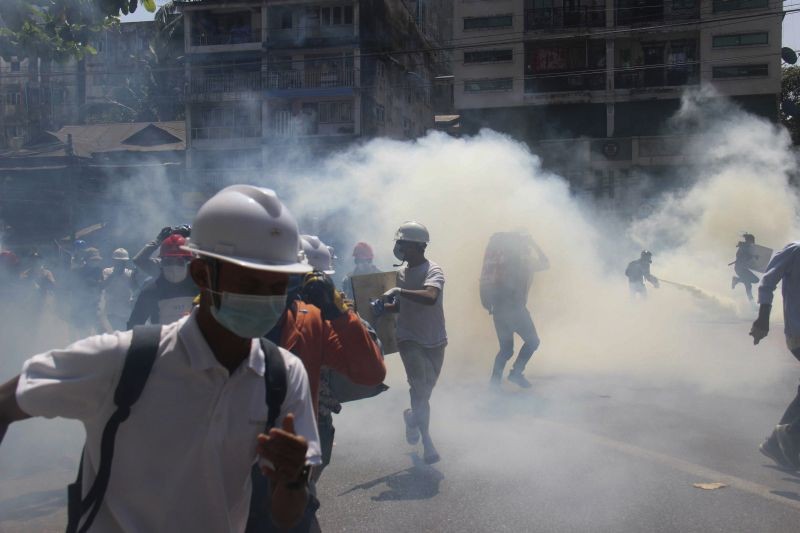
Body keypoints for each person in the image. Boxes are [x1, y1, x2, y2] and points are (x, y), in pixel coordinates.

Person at [0, 185, 321, 532]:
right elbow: (6, 402)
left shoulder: (283, 375)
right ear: (201, 275)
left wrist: (292, 480)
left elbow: (287, 515)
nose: (267, 298)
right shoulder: (124, 359)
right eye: (250, 282)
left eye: (278, 286)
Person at [382, 221, 446, 464]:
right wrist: (381, 308)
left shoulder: (434, 270)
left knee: (424, 393)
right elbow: (399, 306)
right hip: (408, 338)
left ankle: (411, 417)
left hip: (435, 339)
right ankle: (427, 441)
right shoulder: (401, 273)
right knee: (419, 389)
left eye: (403, 244)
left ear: (418, 247)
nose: (399, 248)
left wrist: (399, 292)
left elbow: (430, 297)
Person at [751, 241, 800, 469]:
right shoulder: (795, 250)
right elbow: (767, 282)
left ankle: (774, 443)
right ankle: (790, 433)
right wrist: (763, 318)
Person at [480, 231, 549, 388]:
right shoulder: (523, 262)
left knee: (506, 350)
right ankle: (516, 373)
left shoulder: (502, 263)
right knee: (533, 341)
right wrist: (533, 244)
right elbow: (545, 263)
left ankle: (494, 383)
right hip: (516, 311)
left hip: (498, 310)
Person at [127, 234, 198, 329]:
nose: (173, 267)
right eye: (168, 262)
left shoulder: (200, 286)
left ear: (189, 262)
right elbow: (134, 326)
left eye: (179, 262)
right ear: (161, 263)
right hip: (163, 343)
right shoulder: (151, 292)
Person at [99, 248, 137, 332]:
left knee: (125, 332)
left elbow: (135, 289)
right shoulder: (107, 271)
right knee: (117, 331)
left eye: (123, 262)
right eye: (118, 261)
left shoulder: (129, 273)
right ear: (114, 261)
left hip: (125, 310)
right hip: (111, 309)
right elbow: (103, 285)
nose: (121, 264)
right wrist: (114, 275)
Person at [732, 233, 760, 302]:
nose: (753, 242)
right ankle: (751, 302)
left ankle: (737, 280)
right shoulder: (743, 247)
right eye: (752, 240)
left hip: (743, 269)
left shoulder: (746, 247)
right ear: (749, 240)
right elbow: (742, 257)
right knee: (748, 284)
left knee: (754, 280)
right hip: (740, 268)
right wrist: (752, 256)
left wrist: (753, 257)